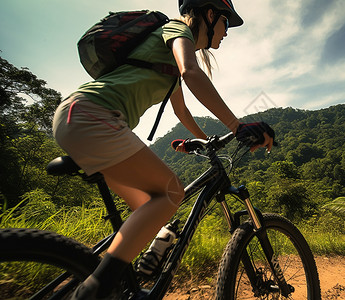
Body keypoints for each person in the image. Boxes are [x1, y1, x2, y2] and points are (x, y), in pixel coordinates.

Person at [52, 1, 275, 299]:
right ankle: (95, 290)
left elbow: (181, 112)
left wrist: (205, 140)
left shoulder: (166, 58)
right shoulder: (176, 28)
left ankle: (127, 281)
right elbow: (191, 73)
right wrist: (237, 126)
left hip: (80, 117)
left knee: (150, 209)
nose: (226, 32)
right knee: (172, 193)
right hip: (93, 116)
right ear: (209, 15)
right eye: (226, 22)